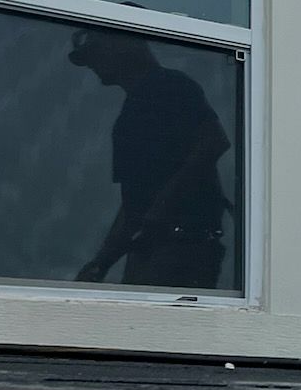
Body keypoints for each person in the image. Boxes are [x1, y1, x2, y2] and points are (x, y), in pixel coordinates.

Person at [68, 25, 233, 290]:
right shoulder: (132, 113)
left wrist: (161, 205)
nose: (93, 64)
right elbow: (134, 203)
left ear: (127, 45)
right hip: (153, 251)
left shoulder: (170, 87)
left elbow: (213, 142)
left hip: (182, 250)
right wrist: (100, 264)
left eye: (97, 52)